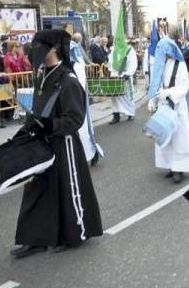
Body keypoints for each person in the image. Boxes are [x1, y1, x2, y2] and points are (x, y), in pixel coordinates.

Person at [10, 29, 103, 258]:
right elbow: (39, 110)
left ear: (53, 49)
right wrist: (28, 129)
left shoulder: (68, 80)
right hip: (42, 142)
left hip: (64, 144)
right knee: (36, 188)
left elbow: (74, 119)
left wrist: (51, 126)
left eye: (40, 46)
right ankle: (35, 238)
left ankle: (74, 233)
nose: (35, 51)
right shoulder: (41, 75)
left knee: (67, 188)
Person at [147, 37, 189, 183]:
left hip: (176, 105)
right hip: (163, 105)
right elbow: (156, 84)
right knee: (165, 137)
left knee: (178, 137)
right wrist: (154, 99)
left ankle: (179, 168)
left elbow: (184, 86)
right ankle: (169, 166)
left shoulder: (180, 65)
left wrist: (168, 93)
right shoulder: (160, 65)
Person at [70, 35, 104, 166]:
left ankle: (92, 152)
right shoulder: (67, 67)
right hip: (70, 107)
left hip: (78, 106)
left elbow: (80, 85)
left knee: (82, 132)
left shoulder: (78, 65)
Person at [107, 39, 137, 124]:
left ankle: (130, 113)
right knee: (115, 98)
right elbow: (109, 62)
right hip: (114, 77)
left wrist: (129, 73)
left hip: (125, 76)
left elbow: (133, 62)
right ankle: (116, 116)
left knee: (127, 96)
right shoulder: (113, 50)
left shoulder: (129, 50)